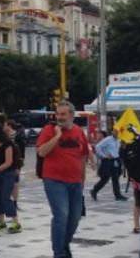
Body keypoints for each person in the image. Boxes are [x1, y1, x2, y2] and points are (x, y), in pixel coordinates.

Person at [37, 102, 90, 258]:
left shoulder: (79, 131)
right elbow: (41, 152)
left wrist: (82, 179)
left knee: (75, 218)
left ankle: (64, 245)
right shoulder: (49, 130)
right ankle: (59, 253)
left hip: (75, 181)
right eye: (58, 114)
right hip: (54, 180)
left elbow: (83, 156)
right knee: (62, 215)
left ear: (71, 115)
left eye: (63, 114)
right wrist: (57, 136)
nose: (59, 117)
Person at [90, 128, 127, 201]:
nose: (116, 133)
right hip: (107, 161)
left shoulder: (118, 140)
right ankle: (94, 191)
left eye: (117, 131)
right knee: (105, 178)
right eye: (114, 131)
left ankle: (118, 195)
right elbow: (97, 147)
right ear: (112, 132)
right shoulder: (108, 139)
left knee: (115, 178)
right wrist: (103, 155)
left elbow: (117, 150)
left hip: (115, 160)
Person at [5, 120, 26, 208]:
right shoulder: (4, 136)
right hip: (5, 161)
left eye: (5, 125)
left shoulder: (18, 136)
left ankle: (14, 202)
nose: (4, 127)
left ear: (9, 126)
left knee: (15, 182)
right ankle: (6, 200)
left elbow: (22, 150)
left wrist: (19, 164)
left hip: (15, 162)